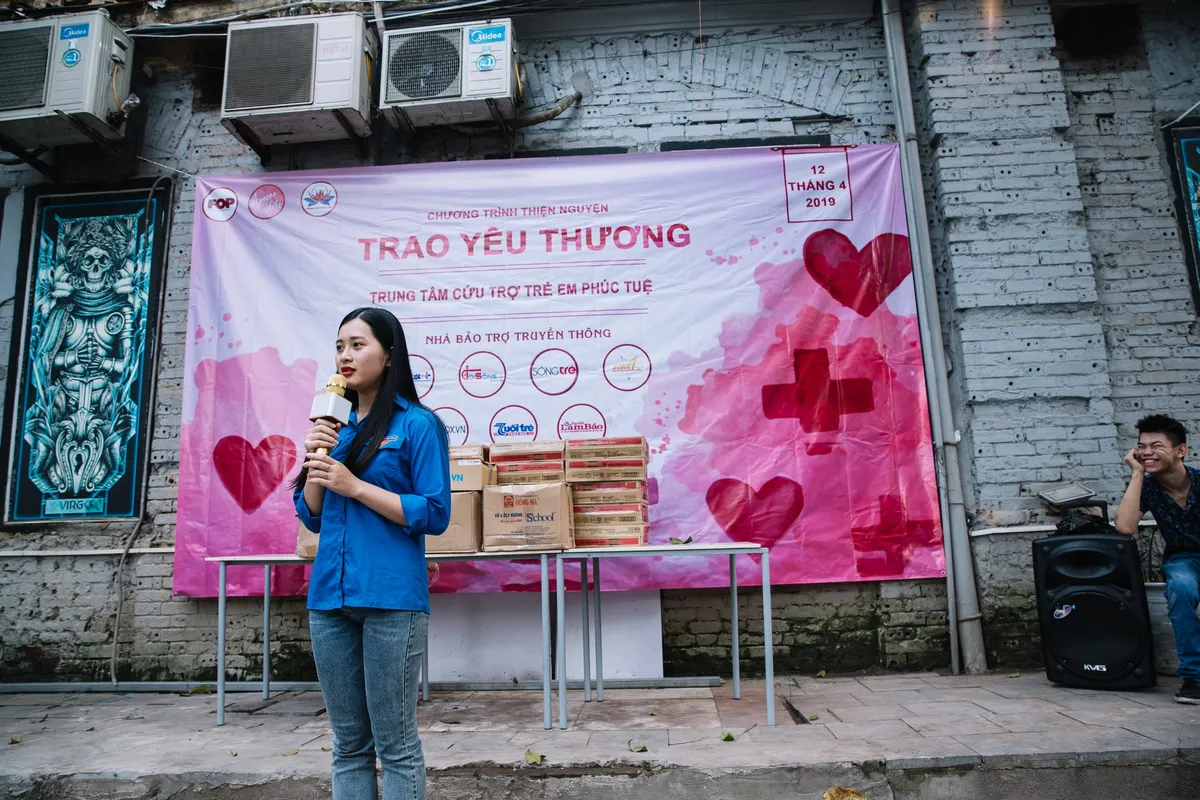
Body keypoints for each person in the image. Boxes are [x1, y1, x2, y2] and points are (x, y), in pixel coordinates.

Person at [294, 306, 451, 798]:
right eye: (340, 345)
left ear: (389, 356)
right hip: (329, 600)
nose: (345, 355)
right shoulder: (331, 423)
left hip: (391, 600)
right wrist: (317, 456)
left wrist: (356, 486)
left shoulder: (419, 425)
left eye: (358, 345)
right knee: (348, 745)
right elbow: (310, 512)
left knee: (396, 744)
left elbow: (434, 512)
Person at [1115, 414, 1200, 704]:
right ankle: (1195, 678)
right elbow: (1125, 527)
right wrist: (1137, 474)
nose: (1147, 452)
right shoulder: (1148, 487)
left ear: (1180, 450)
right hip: (1183, 558)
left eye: (1156, 445)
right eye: (1141, 446)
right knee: (1182, 588)